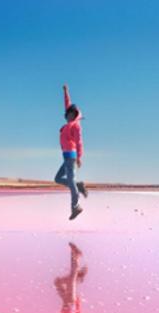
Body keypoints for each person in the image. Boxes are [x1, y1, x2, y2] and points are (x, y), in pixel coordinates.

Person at [55, 84, 88, 220]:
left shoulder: (75, 126)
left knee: (70, 180)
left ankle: (75, 206)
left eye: (72, 114)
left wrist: (79, 157)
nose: (69, 115)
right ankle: (78, 186)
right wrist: (66, 91)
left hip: (71, 157)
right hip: (66, 158)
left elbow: (79, 142)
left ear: (74, 115)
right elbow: (67, 103)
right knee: (57, 179)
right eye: (68, 113)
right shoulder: (69, 123)